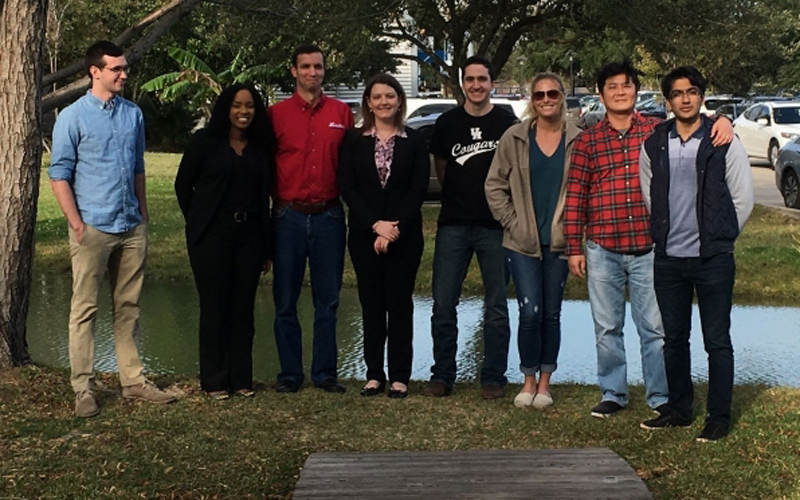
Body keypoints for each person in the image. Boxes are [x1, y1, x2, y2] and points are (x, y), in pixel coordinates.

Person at [563, 59, 733, 419]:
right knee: (607, 327)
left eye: (626, 85)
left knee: (655, 329)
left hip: (650, 248)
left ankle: (661, 397)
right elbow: (576, 195)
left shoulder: (657, 131)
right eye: (612, 87)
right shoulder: (587, 141)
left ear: (636, 91)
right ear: (601, 94)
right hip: (603, 246)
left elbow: (699, 122)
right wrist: (573, 248)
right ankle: (613, 392)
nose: (620, 92)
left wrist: (724, 120)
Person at [48, 40, 176, 417]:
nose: (123, 74)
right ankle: (83, 389)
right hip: (93, 227)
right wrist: (76, 224)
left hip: (130, 226)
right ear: (95, 72)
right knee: (84, 310)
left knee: (129, 307)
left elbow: (138, 168)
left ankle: (133, 381)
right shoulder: (73, 117)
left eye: (124, 68)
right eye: (116, 69)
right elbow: (58, 175)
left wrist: (144, 217)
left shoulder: (132, 114)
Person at [639, 67, 753, 441]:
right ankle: (679, 409)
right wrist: (664, 233)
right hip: (669, 259)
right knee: (674, 339)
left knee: (717, 341)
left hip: (713, 260)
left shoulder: (723, 139)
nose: (684, 98)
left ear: (701, 96)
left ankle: (718, 417)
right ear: (667, 101)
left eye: (692, 91)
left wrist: (722, 237)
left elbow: (742, 199)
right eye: (676, 93)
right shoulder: (655, 142)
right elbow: (649, 193)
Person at [424, 56, 517, 400]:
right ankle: (442, 374)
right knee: (444, 304)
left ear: (492, 82)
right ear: (462, 83)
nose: (476, 85)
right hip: (453, 225)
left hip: (495, 226)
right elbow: (442, 167)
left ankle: (493, 376)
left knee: (496, 306)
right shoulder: (447, 122)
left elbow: (515, 169)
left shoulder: (506, 121)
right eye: (470, 79)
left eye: (482, 79)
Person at [485, 73, 580, 408]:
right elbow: (494, 186)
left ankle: (545, 384)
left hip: (560, 243)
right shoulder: (515, 137)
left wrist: (575, 233)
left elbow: (585, 191)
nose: (545, 99)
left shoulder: (578, 139)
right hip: (521, 243)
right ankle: (526, 379)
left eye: (552, 92)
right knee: (529, 313)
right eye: (539, 94)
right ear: (531, 99)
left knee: (551, 313)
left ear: (562, 96)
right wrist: (513, 222)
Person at [175, 83, 274, 400]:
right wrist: (198, 223)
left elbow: (264, 199)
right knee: (215, 307)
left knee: (243, 309)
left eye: (249, 106)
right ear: (225, 108)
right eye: (236, 105)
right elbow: (183, 186)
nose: (243, 111)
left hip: (249, 235)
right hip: (211, 236)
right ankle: (215, 381)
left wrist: (266, 247)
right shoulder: (205, 142)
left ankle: (241, 378)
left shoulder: (260, 147)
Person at [269, 44, 354, 393]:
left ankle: (324, 374)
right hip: (288, 216)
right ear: (294, 71)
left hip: (329, 216)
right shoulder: (276, 115)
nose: (312, 73)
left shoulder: (341, 113)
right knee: (285, 300)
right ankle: (290, 375)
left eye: (317, 67)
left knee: (328, 301)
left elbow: (350, 165)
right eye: (305, 67)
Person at [338, 74, 429, 399]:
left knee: (400, 305)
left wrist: (393, 229)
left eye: (390, 96)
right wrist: (376, 226)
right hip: (365, 235)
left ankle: (400, 377)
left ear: (399, 100)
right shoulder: (353, 140)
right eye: (377, 97)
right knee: (372, 305)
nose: (384, 102)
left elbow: (418, 189)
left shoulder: (415, 141)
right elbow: (348, 187)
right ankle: (374, 374)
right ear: (368, 102)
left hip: (405, 237)